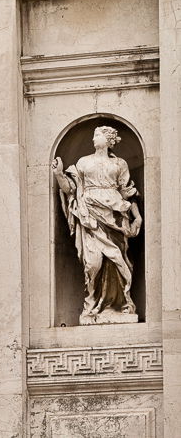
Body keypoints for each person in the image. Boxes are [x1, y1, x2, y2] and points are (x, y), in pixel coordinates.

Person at [52, 126, 142, 323]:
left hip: (116, 216)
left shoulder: (120, 163)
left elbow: (128, 191)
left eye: (97, 135)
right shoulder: (83, 162)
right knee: (93, 263)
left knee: (118, 259)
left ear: (109, 139)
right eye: (93, 135)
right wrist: (59, 175)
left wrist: (137, 217)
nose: (93, 138)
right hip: (90, 216)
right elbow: (71, 190)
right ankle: (91, 305)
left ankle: (121, 304)